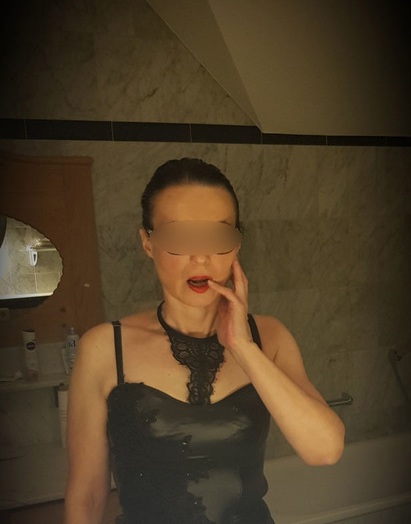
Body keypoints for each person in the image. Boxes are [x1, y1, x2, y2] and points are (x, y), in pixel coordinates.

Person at [64, 158, 345, 524]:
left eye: (218, 236)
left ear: (237, 243)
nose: (201, 256)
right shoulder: (104, 348)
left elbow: (325, 450)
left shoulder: (270, 337)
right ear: (147, 242)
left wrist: (243, 348)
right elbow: (86, 496)